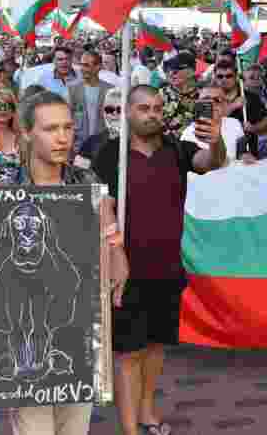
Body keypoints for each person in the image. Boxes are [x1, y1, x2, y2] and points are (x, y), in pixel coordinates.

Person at [0, 91, 127, 435]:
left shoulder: (87, 182)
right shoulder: (0, 190)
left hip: (75, 331)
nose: (62, 137)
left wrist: (117, 256)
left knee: (75, 428)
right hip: (17, 338)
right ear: (26, 132)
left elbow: (110, 235)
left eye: (68, 127)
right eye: (50, 128)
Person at [93, 86, 226, 435]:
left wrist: (216, 140)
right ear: (127, 112)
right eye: (143, 108)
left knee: (155, 347)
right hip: (125, 272)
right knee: (129, 352)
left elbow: (210, 162)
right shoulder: (109, 155)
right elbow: (99, 208)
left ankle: (147, 412)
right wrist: (113, 252)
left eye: (156, 108)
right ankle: (129, 429)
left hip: (167, 268)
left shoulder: (177, 149)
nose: (151, 114)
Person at [181, 81, 252, 165]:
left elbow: (242, 150)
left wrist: (245, 156)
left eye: (217, 100)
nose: (212, 103)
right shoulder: (187, 134)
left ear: (225, 104)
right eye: (206, 100)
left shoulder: (234, 123)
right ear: (198, 103)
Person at [67, 50, 114, 155]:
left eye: (87, 65)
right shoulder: (73, 88)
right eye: (82, 65)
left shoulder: (110, 90)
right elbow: (68, 118)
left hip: (103, 147)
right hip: (79, 146)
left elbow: (114, 122)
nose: (83, 69)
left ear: (98, 67)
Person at [75, 88, 123, 169]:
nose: (114, 114)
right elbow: (78, 174)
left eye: (119, 109)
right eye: (109, 110)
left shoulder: (135, 142)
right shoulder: (91, 143)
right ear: (103, 112)